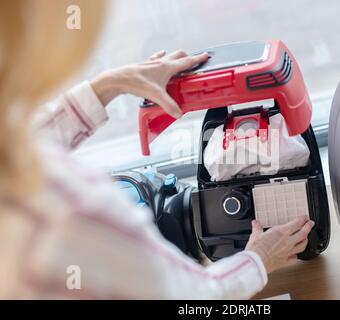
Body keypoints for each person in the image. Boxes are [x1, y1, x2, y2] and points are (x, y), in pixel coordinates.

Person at [0, 0, 314, 299]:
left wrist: (109, 84)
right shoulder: (73, 212)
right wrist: (259, 258)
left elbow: (26, 140)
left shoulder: (18, 161)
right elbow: (195, 297)